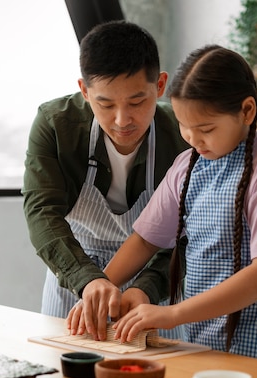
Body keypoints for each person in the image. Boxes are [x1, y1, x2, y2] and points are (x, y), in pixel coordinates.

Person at [68, 45, 257, 367]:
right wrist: (100, 288)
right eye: (184, 126)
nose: (193, 138)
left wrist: (171, 313)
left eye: (206, 129)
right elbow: (144, 239)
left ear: (247, 111)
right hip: (197, 337)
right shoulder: (187, 165)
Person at [22, 20, 189, 341]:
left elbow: (190, 231)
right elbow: (42, 213)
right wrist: (89, 280)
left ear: (160, 85)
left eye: (137, 102)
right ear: (84, 91)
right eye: (105, 103)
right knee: (66, 377)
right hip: (77, 272)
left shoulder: (183, 134)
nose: (122, 120)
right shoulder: (55, 125)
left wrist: (147, 287)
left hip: (156, 279)